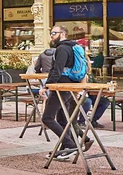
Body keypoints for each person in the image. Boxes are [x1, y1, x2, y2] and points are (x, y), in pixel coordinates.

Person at [40, 25, 90, 161]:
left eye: (54, 33)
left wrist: (47, 86)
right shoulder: (72, 47)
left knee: (47, 118)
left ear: (62, 34)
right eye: (51, 33)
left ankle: (70, 145)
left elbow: (57, 69)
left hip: (61, 86)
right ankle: (64, 149)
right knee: (63, 119)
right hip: (70, 85)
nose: (51, 36)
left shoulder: (62, 48)